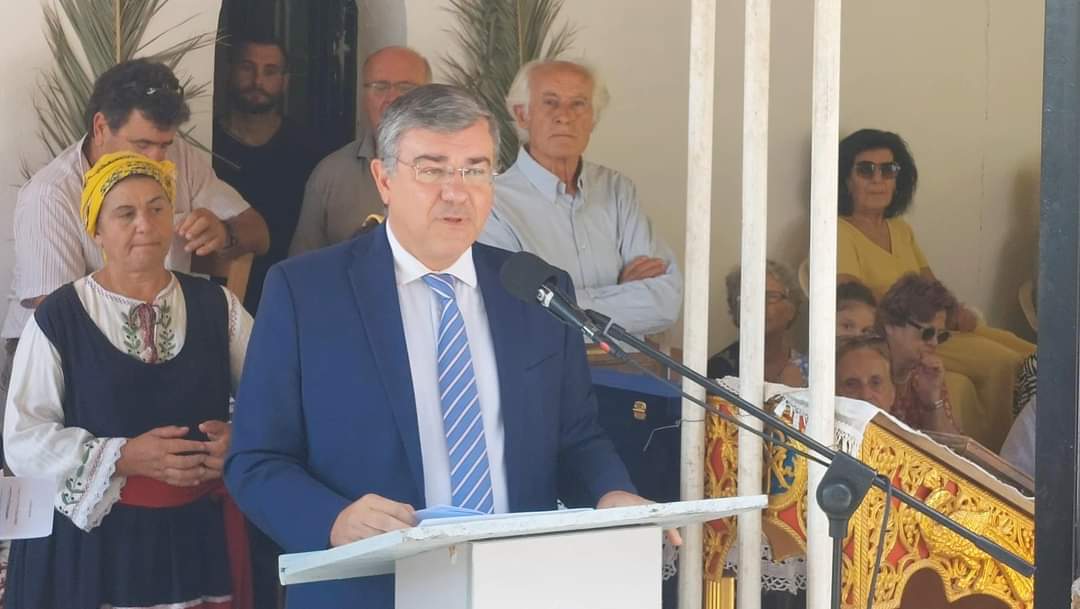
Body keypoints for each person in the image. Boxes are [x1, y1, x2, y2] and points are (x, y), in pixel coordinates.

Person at [225, 84, 664, 608]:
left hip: (517, 587)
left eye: (475, 170)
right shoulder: (306, 293)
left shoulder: (535, 290)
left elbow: (576, 437)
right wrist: (332, 519)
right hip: (370, 589)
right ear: (384, 179)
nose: (457, 192)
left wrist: (609, 492)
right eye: (432, 170)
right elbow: (256, 460)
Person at [3, 152, 254, 609]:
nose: (145, 224)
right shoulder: (59, 317)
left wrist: (241, 439)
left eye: (158, 208)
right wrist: (123, 456)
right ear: (96, 230)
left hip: (194, 543)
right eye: (125, 213)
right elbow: (24, 440)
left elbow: (275, 398)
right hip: (93, 551)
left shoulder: (218, 307)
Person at [1, 59, 268, 418]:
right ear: (100, 127)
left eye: (164, 144)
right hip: (63, 362)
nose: (156, 159)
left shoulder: (178, 158)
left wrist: (225, 233)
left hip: (162, 345)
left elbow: (259, 233)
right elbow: (65, 324)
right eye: (142, 144)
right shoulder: (51, 195)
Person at [836, 128, 1032, 449]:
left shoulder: (900, 229)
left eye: (888, 170)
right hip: (901, 333)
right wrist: (910, 309)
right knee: (1007, 363)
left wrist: (953, 309)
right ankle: (999, 457)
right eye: (866, 170)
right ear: (846, 179)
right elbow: (850, 294)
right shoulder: (839, 229)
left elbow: (929, 282)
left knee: (1031, 353)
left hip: (934, 327)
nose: (878, 179)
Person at [479, 60, 682, 336]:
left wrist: (557, 303)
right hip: (549, 364)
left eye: (578, 104)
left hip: (629, 363)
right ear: (522, 114)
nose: (564, 116)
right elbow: (514, 311)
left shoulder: (617, 190)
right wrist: (623, 292)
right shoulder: (492, 203)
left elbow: (666, 303)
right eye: (550, 103)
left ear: (593, 118)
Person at [214, 37, 323, 313]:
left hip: (290, 296)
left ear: (285, 80)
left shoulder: (309, 149)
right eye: (247, 67)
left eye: (270, 71)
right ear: (230, 71)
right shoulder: (207, 145)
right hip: (216, 297)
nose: (257, 81)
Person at [289, 46, 432, 255]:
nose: (392, 98)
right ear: (363, 96)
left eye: (405, 88)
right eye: (380, 87)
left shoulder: (458, 172)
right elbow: (302, 266)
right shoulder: (331, 174)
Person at [873, 273, 961, 434]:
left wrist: (932, 402)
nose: (934, 343)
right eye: (927, 333)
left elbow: (952, 446)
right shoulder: (867, 369)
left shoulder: (925, 374)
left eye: (941, 336)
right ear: (890, 324)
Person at [707, 261, 807, 386]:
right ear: (735, 309)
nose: (759, 305)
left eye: (771, 297)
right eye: (750, 297)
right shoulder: (718, 370)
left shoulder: (812, 372)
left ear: (791, 309)